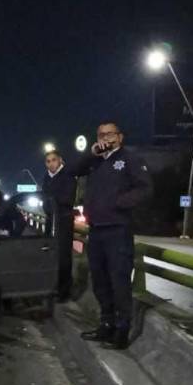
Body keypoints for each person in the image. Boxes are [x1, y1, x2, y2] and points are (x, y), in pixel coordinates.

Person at [69, 121, 152, 349]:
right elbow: (73, 170)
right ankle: (106, 324)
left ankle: (121, 330)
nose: (105, 137)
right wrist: (92, 153)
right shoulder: (95, 161)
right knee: (100, 281)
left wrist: (119, 203)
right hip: (96, 230)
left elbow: (145, 188)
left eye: (109, 134)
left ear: (120, 137)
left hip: (118, 230)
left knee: (119, 281)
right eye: (100, 134)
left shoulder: (129, 159)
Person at [42, 149, 77, 301]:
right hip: (51, 220)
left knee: (63, 257)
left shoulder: (68, 176)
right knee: (51, 255)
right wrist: (49, 204)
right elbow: (44, 199)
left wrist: (52, 202)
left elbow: (67, 199)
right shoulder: (46, 177)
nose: (51, 164)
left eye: (54, 160)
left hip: (63, 220)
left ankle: (64, 291)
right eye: (48, 161)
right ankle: (52, 287)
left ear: (60, 160)